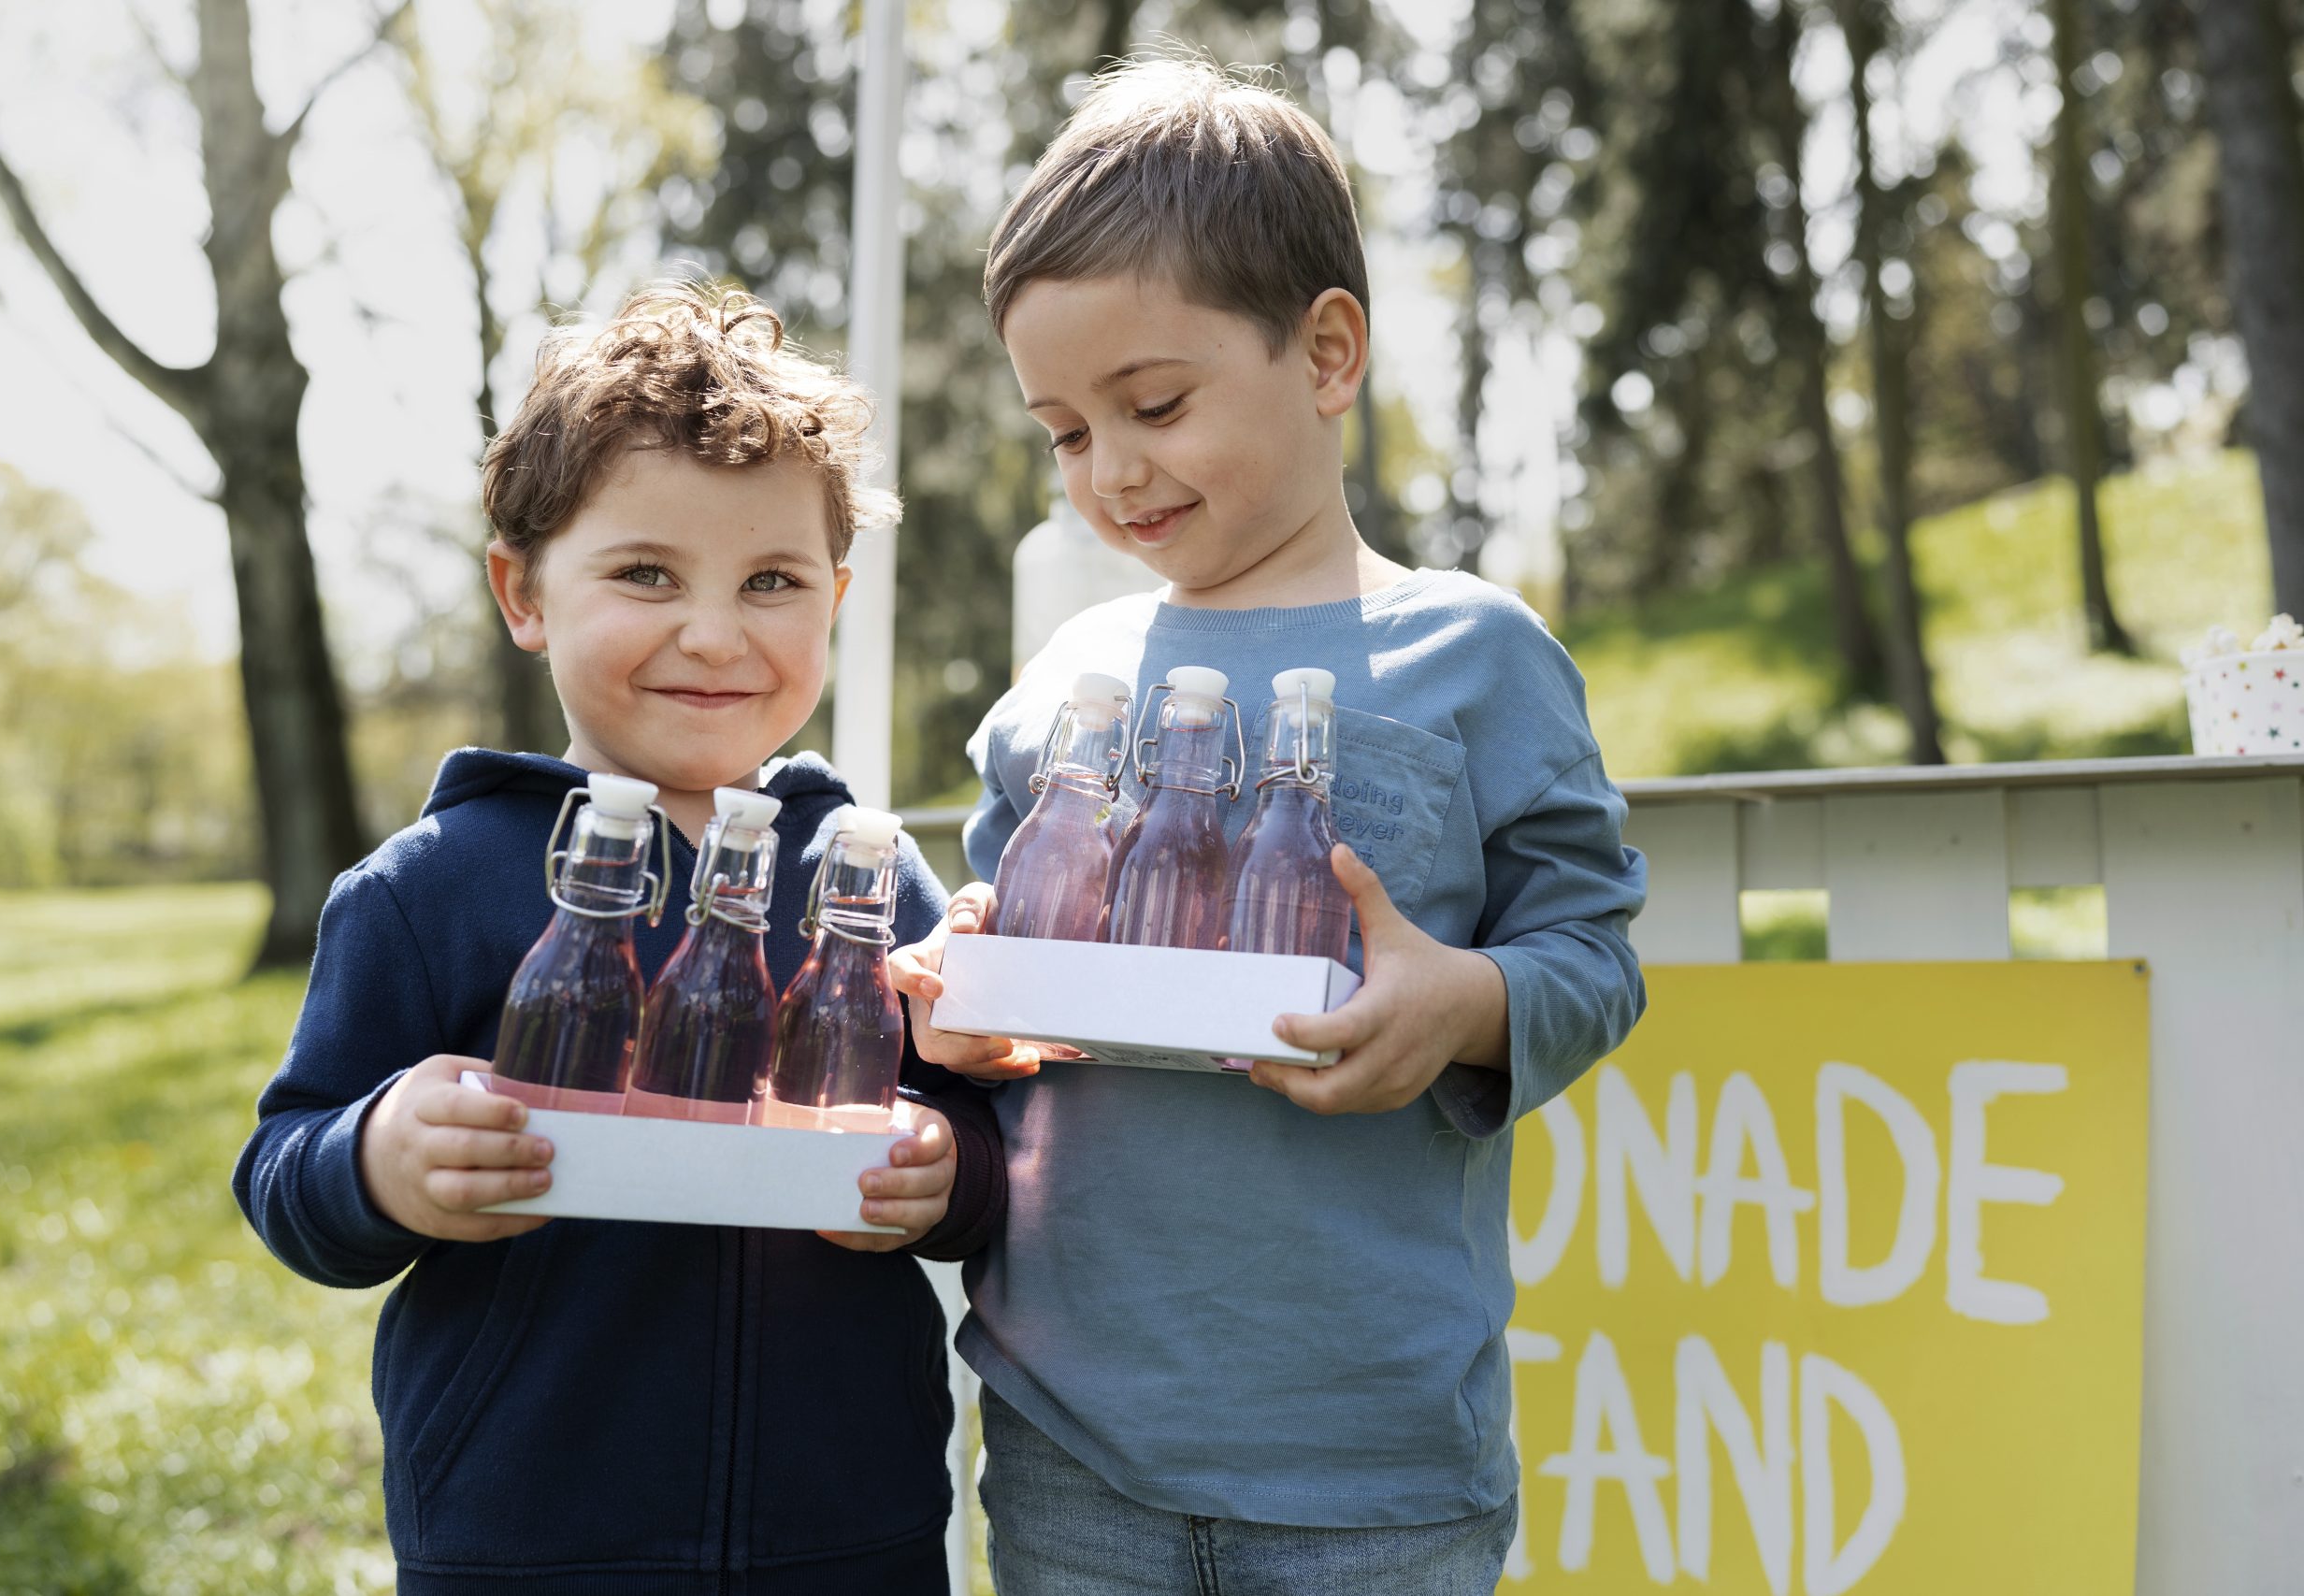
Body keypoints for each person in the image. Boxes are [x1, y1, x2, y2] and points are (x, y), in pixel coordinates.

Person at [894, 58, 1649, 1595]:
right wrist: (952, 1012)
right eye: (1063, 431)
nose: (1110, 472)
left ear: (1325, 351)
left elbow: (1594, 955)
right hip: (1070, 1440)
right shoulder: (1057, 691)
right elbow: (984, 995)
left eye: (1154, 405)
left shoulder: (1476, 657)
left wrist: (1469, 1005)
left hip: (1373, 1465)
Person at [234, 281, 1003, 1595]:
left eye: (772, 581)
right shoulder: (429, 888)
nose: (715, 634)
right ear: (522, 593)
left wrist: (948, 1175)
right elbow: (283, 1169)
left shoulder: (876, 883)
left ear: (835, 597)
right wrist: (376, 1156)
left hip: (848, 1533)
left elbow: (993, 1145)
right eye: (646, 574)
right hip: (527, 1537)